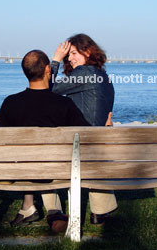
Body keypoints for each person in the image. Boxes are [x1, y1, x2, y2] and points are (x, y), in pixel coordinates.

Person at [0, 49, 90, 232]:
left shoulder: (10, 103)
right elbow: (87, 137)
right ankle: (50, 212)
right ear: (48, 70)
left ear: (24, 73)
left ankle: (30, 207)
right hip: (55, 170)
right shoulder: (64, 104)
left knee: (29, 158)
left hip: (21, 169)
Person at [50, 33, 118, 225]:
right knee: (95, 154)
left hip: (81, 144)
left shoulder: (84, 74)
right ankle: (100, 209)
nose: (69, 59)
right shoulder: (103, 76)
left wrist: (55, 60)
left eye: (73, 53)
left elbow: (49, 87)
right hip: (98, 144)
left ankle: (52, 210)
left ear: (87, 51)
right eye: (67, 56)